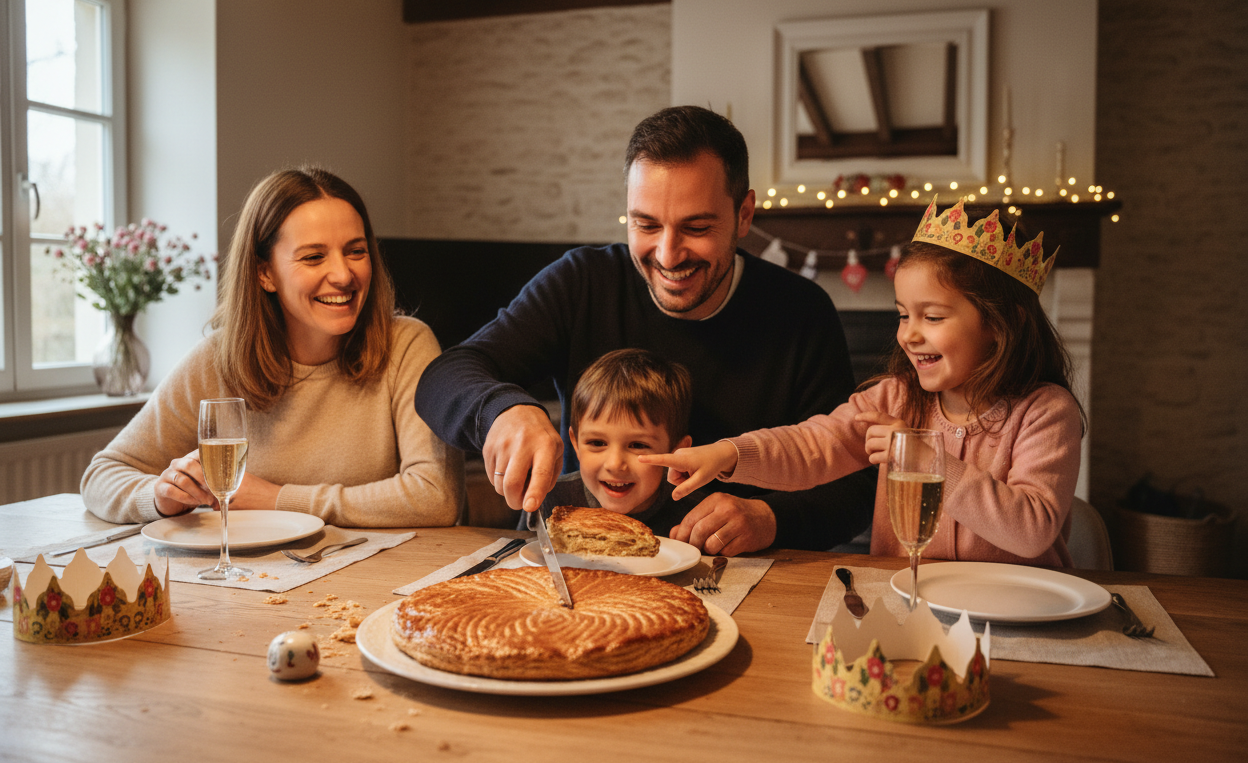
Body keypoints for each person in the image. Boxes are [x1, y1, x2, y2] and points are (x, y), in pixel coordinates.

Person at [415, 105, 876, 555]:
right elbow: (443, 377)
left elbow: (855, 486)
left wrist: (770, 518)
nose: (668, 255)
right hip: (579, 563)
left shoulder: (800, 311)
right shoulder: (582, 281)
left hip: (739, 578)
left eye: (696, 227)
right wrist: (502, 410)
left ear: (744, 214)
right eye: (646, 225)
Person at [641, 200, 1086, 567]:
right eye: (902, 315)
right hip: (913, 603)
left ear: (1001, 323)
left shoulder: (1046, 412)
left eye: (931, 317)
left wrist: (922, 458)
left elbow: (1032, 529)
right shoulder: (896, 399)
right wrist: (729, 453)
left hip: (1020, 618)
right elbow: (812, 445)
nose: (908, 334)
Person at [81, 167, 465, 528]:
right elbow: (103, 475)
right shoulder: (218, 360)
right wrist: (159, 497)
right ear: (265, 273)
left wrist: (277, 499)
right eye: (314, 257)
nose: (344, 275)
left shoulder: (407, 344)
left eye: (356, 251)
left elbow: (437, 496)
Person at [519, 348, 701, 535]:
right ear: (575, 444)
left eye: (638, 445)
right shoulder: (549, 499)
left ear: (677, 453)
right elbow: (519, 554)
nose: (614, 464)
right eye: (597, 443)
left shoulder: (696, 515)